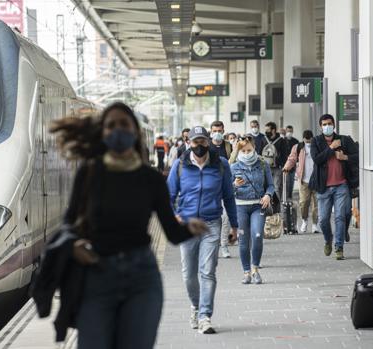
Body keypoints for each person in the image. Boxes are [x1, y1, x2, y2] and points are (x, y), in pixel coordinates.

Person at [50, 102, 207, 349]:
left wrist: (189, 228)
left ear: (135, 132)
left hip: (141, 278)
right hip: (96, 275)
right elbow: (69, 223)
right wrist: (74, 244)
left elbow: (172, 234)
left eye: (124, 124)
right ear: (102, 132)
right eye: (111, 125)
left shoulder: (151, 179)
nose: (117, 130)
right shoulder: (90, 173)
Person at [167, 126, 239, 335]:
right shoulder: (179, 166)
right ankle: (196, 306)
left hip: (211, 224)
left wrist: (235, 226)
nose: (199, 145)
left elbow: (229, 197)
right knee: (189, 275)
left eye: (202, 141)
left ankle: (205, 316)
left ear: (208, 142)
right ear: (189, 143)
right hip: (187, 225)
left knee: (207, 271)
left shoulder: (221, 165)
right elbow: (169, 197)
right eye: (195, 142)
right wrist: (174, 216)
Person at [309, 114, 358, 260]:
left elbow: (358, 155)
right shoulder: (316, 141)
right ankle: (328, 239)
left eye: (329, 123)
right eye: (324, 124)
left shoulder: (345, 140)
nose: (327, 126)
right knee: (323, 219)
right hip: (323, 187)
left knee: (340, 217)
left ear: (334, 124)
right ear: (320, 126)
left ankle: (339, 247)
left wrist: (346, 157)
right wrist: (331, 148)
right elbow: (317, 159)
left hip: (341, 185)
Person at [230, 136, 274, 285]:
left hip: (258, 206)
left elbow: (271, 185)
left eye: (249, 150)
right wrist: (234, 185)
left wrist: (268, 195)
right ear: (239, 151)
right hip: (240, 207)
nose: (247, 153)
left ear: (254, 148)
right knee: (243, 240)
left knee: (257, 235)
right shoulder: (234, 167)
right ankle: (246, 272)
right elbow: (227, 191)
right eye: (243, 150)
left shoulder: (262, 164)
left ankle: (255, 269)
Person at [284, 130, 319, 234]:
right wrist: (286, 167)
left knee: (316, 204)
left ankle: (314, 224)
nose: (308, 142)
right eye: (306, 140)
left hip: (316, 179)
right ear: (303, 139)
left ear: (312, 138)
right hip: (303, 180)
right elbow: (292, 159)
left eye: (310, 140)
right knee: (303, 203)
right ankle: (304, 220)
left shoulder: (317, 146)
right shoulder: (298, 147)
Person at [209, 121, 234, 258]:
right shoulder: (206, 146)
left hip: (225, 186)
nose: (217, 133)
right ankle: (213, 245)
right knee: (212, 218)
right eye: (215, 130)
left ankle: (224, 245)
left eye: (219, 130)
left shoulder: (228, 146)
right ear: (211, 131)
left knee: (225, 217)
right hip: (210, 188)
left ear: (223, 130)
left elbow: (234, 164)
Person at [263, 121, 289, 205]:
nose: (266, 132)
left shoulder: (281, 141)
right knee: (266, 186)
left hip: (277, 167)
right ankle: (267, 203)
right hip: (265, 167)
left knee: (277, 187)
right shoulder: (264, 139)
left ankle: (276, 205)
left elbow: (285, 154)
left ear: (273, 130)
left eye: (268, 130)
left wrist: (284, 166)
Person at [284, 125, 299, 199]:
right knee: (285, 182)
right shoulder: (282, 140)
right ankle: (285, 196)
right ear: (285, 131)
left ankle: (289, 195)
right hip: (285, 165)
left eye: (290, 131)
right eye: (288, 131)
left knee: (291, 182)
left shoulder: (295, 141)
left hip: (293, 166)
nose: (289, 133)